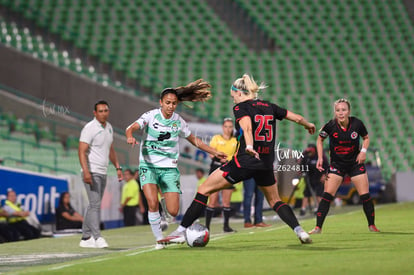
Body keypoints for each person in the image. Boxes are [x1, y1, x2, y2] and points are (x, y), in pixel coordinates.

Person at [158, 73, 316, 245]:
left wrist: (249, 146)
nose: (233, 100)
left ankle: (181, 231)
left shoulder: (241, 108)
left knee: (204, 189)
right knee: (275, 201)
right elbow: (297, 118)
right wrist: (308, 125)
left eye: (233, 96)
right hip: (265, 164)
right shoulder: (270, 106)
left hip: (245, 161)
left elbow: (247, 128)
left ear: (239, 93)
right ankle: (300, 232)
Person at [125, 79, 227, 249]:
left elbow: (194, 140)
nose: (171, 106)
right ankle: (159, 240)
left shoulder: (178, 121)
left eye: (174, 103)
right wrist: (130, 135)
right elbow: (132, 127)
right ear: (161, 103)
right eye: (167, 103)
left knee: (173, 211)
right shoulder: (150, 116)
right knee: (151, 203)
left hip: (169, 168)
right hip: (148, 165)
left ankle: (166, 209)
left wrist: (213, 151)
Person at [309, 98, 380, 234]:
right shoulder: (330, 125)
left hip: (355, 164)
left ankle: (372, 226)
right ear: (335, 112)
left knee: (365, 195)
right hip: (337, 165)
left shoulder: (357, 124)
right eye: (338, 110)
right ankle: (318, 227)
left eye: (343, 110)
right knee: (327, 195)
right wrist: (319, 157)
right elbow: (319, 140)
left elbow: (366, 138)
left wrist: (363, 152)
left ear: (349, 111)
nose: (341, 113)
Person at [78, 100, 123, 248]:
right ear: (95, 113)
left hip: (103, 171)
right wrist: (86, 171)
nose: (104, 113)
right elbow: (81, 151)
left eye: (106, 111)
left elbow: (110, 149)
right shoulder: (89, 128)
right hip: (91, 171)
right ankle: (97, 237)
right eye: (101, 111)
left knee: (93, 205)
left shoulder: (109, 127)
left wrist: (117, 167)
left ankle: (85, 238)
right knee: (95, 205)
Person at [205, 117, 238, 232]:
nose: (228, 129)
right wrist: (220, 159)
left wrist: (229, 161)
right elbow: (211, 153)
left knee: (226, 201)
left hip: (229, 169)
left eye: (230, 127)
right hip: (216, 168)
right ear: (222, 127)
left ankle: (226, 226)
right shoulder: (216, 138)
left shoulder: (235, 141)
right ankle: (207, 227)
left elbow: (236, 156)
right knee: (212, 200)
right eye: (226, 126)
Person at [299, 144, 328, 216]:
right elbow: (301, 164)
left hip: (318, 177)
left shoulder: (320, 156)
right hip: (309, 177)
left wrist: (324, 175)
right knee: (306, 193)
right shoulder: (306, 156)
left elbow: (326, 166)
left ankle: (319, 208)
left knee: (319, 193)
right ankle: (303, 208)